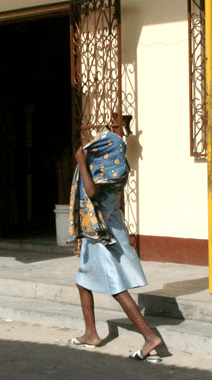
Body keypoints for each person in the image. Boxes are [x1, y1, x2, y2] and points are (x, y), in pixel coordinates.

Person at [67, 129, 163, 363]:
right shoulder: (118, 168)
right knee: (82, 281)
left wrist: (81, 162)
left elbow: (91, 192)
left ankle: (149, 337)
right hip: (106, 228)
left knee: (116, 287)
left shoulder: (108, 172)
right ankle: (91, 333)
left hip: (101, 234)